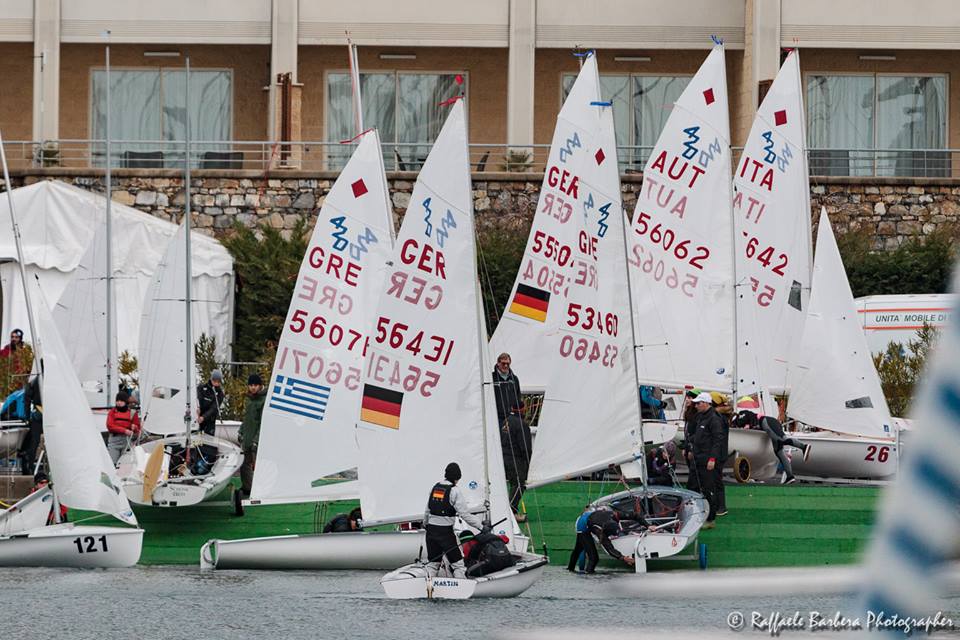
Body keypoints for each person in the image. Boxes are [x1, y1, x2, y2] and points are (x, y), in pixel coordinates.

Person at [424, 462, 484, 578]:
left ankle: (429, 587)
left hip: (431, 531)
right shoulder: (455, 491)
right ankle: (460, 591)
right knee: (458, 565)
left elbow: (427, 510)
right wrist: (481, 527)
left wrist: (425, 524)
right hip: (445, 533)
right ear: (457, 478)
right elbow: (465, 515)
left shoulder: (435, 487)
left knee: (433, 563)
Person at [733, 397, 812, 484]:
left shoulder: (740, 416)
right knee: (779, 452)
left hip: (767, 422)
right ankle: (790, 477)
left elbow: (749, 419)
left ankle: (803, 447)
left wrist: (747, 426)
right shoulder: (739, 419)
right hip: (768, 424)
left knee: (782, 439)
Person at [492, 353, 531, 521]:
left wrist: (516, 409)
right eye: (503, 363)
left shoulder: (513, 379)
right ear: (498, 363)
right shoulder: (492, 378)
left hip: (511, 416)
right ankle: (507, 509)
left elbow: (518, 396)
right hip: (498, 417)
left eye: (508, 363)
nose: (505, 366)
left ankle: (506, 508)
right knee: (517, 480)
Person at [683, 392, 723, 529]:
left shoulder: (714, 419)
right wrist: (689, 448)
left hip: (707, 460)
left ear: (706, 403)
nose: (696, 405)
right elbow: (697, 436)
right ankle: (691, 516)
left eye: (699, 403)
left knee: (707, 489)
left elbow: (718, 441)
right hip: (697, 457)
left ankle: (711, 519)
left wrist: (712, 459)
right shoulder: (700, 416)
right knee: (691, 487)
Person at [566, 506, 635, 573]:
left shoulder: (610, 519)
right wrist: (623, 558)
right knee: (594, 558)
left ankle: (570, 569)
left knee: (578, 549)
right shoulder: (599, 531)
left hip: (585, 521)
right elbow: (609, 548)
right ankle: (588, 576)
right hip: (583, 528)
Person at [238, 373, 266, 498]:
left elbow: (263, 423)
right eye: (251, 385)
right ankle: (248, 488)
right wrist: (241, 431)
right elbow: (247, 418)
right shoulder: (249, 399)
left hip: (257, 440)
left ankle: (263, 490)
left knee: (259, 465)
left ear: (260, 386)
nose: (253, 387)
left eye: (255, 385)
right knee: (244, 464)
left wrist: (257, 440)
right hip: (247, 439)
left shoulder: (263, 401)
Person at [710, 391, 732, 516]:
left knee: (716, 481)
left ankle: (721, 506)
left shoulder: (718, 417)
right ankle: (720, 505)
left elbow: (717, 438)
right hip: (720, 453)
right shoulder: (721, 416)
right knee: (716, 480)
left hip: (718, 454)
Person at [105, 391, 141, 465]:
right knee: (113, 464)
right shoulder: (112, 412)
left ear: (126, 401)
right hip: (114, 442)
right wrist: (124, 431)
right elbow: (110, 426)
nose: (119, 402)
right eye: (117, 400)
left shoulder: (133, 413)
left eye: (121, 400)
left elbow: (138, 429)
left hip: (127, 442)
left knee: (125, 465)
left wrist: (135, 427)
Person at [197, 369, 225, 436]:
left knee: (209, 441)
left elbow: (214, 408)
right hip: (198, 418)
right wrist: (198, 409)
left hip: (210, 420)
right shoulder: (201, 387)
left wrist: (203, 417)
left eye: (218, 382)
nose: (216, 383)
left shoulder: (220, 394)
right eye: (214, 381)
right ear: (211, 379)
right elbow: (197, 399)